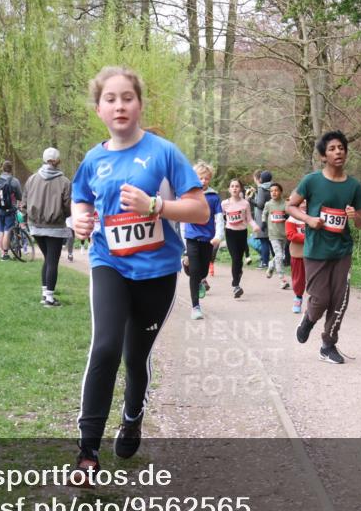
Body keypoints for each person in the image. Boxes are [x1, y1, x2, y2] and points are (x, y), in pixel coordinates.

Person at [70, 65, 208, 484]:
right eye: (110, 99)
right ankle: (88, 451)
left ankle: (132, 417)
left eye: (127, 97)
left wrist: (155, 207)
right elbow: (80, 200)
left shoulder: (164, 153)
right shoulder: (93, 160)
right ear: (99, 109)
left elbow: (200, 210)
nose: (119, 105)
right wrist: (78, 220)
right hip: (109, 263)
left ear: (139, 104)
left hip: (158, 272)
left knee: (136, 357)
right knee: (106, 347)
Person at [287, 130, 361, 364]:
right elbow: (291, 206)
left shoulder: (354, 186)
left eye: (341, 148)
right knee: (320, 299)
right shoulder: (312, 181)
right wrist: (309, 220)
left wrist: (355, 217)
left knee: (340, 299)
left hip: (342, 250)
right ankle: (308, 320)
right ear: (323, 156)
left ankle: (328, 344)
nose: (338, 152)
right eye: (332, 149)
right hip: (316, 250)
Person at [25, 147, 72, 307]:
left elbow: (24, 202)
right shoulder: (65, 182)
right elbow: (68, 206)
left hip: (36, 226)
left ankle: (45, 293)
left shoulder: (31, 179)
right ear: (58, 161)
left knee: (48, 259)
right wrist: (64, 216)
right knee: (52, 261)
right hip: (55, 227)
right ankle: (49, 299)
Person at [182, 161, 224, 320]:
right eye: (200, 178)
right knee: (194, 272)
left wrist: (219, 236)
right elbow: (181, 219)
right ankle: (195, 306)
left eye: (206, 178)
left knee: (203, 271)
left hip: (208, 239)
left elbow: (219, 218)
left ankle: (196, 274)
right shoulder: (188, 194)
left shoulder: (214, 197)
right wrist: (183, 243)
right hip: (192, 236)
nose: (203, 181)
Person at [221, 178, 261, 298]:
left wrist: (254, 226)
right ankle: (236, 286)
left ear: (240, 189)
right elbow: (222, 217)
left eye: (237, 186)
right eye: (232, 186)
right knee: (236, 259)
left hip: (242, 233)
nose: (234, 188)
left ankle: (238, 273)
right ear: (229, 189)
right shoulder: (224, 203)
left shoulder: (245, 203)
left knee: (239, 260)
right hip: (230, 233)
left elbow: (249, 219)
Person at [0, 161, 24, 261]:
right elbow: (19, 196)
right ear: (11, 169)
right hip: (10, 209)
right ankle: (5, 254)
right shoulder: (14, 181)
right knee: (7, 232)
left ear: (2, 168)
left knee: (1, 231)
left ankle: (2, 253)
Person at [262, 182, 290, 290]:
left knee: (280, 255)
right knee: (279, 255)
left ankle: (271, 265)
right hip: (273, 234)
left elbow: (290, 213)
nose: (274, 192)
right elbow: (264, 213)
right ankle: (282, 279)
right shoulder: (268, 204)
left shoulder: (285, 203)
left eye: (276, 190)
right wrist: (263, 222)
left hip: (284, 233)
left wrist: (288, 215)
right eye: (271, 191)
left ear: (280, 192)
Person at [285, 199, 307, 313]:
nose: (304, 203)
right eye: (301, 201)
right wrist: (307, 238)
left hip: (315, 252)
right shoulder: (292, 219)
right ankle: (298, 298)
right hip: (298, 252)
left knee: (316, 278)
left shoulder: (315, 215)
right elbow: (290, 235)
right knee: (298, 278)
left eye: (306, 201)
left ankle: (315, 302)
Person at [249, 170, 273, 268]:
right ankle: (275, 261)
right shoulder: (272, 187)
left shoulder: (261, 188)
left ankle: (265, 262)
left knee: (264, 240)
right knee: (271, 240)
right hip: (270, 216)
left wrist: (249, 200)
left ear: (260, 179)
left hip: (262, 217)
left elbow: (260, 204)